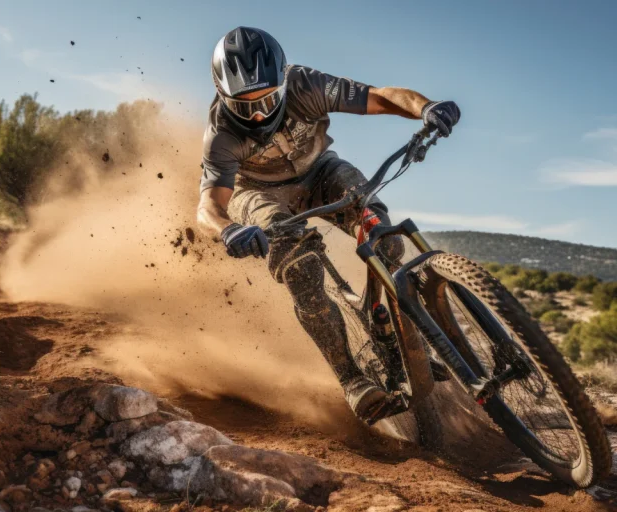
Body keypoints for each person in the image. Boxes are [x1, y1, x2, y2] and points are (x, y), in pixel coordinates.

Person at [196, 26, 460, 423]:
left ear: (283, 83)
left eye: (267, 100)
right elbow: (208, 206)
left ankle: (388, 328)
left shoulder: (307, 84)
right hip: (260, 193)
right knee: (300, 269)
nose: (258, 114)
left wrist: (426, 107)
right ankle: (352, 379)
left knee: (385, 239)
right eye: (243, 106)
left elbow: (381, 97)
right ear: (222, 95)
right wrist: (228, 230)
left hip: (321, 171)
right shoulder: (220, 134)